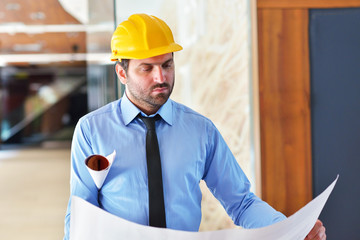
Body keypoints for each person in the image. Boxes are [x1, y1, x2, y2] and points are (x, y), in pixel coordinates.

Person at [64, 13, 326, 240]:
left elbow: (241, 203)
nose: (161, 77)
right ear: (122, 73)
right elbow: (81, 211)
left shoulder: (200, 131)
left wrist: (291, 230)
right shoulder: (92, 130)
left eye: (167, 65)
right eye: (147, 68)